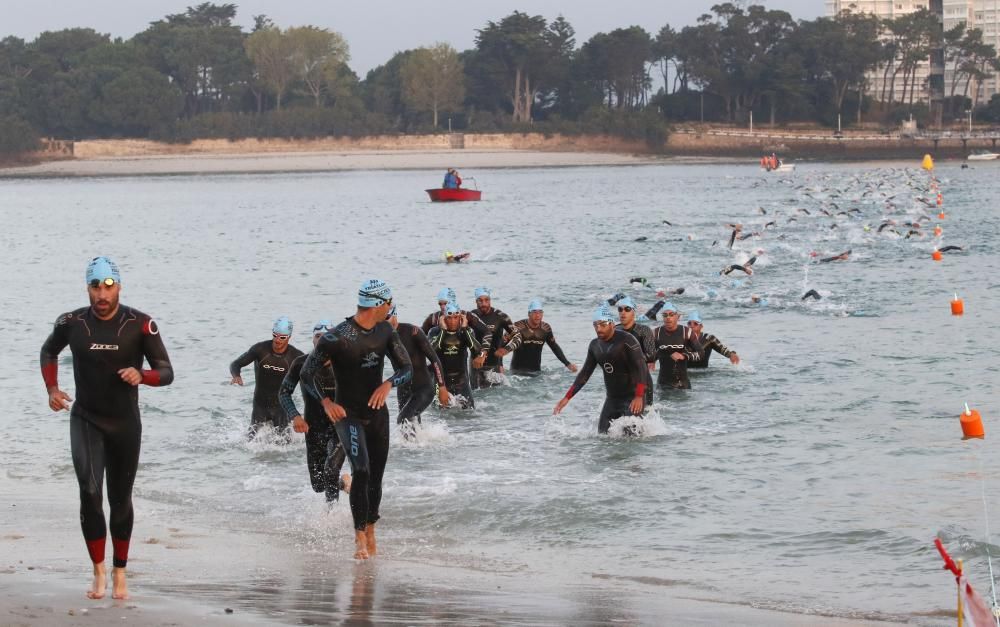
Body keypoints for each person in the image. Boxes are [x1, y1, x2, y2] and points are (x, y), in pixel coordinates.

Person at [40, 256, 174, 601]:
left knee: (119, 499)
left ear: (119, 287)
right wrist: (53, 390)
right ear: (87, 288)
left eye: (108, 287)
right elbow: (48, 351)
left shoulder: (141, 324)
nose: (102, 294)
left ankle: (120, 571)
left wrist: (141, 375)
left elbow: (166, 371)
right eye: (95, 287)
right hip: (86, 418)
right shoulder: (71, 323)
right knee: (89, 492)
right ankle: (98, 571)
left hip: (125, 425)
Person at [299, 279, 412, 560]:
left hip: (377, 415)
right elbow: (306, 375)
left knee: (376, 477)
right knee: (360, 470)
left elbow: (407, 368)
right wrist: (326, 402)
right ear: (378, 304)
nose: (390, 307)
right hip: (347, 416)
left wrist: (388, 384)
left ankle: (371, 526)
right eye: (388, 302)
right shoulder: (335, 338)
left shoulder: (385, 331)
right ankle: (359, 537)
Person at [278, 320, 350, 503]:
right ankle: (345, 483)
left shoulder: (345, 363)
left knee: (330, 470)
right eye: (318, 336)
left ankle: (330, 516)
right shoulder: (300, 363)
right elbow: (284, 392)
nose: (322, 340)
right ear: (312, 339)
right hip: (314, 427)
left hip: (341, 426)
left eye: (327, 337)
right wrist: (295, 416)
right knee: (318, 484)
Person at [552, 305, 646, 434]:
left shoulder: (627, 340)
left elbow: (641, 368)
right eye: (595, 325)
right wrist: (567, 397)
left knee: (630, 437)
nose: (598, 329)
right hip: (612, 399)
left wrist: (639, 396)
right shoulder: (594, 345)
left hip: (633, 397)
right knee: (602, 436)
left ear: (611, 324)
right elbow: (585, 374)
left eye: (602, 324)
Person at [230, 317, 304, 439]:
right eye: (275, 335)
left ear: (289, 337)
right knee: (250, 442)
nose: (277, 340)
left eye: (282, 337)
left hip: (281, 407)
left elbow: (309, 379)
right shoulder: (260, 349)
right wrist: (236, 375)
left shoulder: (296, 357)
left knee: (285, 447)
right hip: (260, 405)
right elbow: (236, 364)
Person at [386, 305, 449, 437]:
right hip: (403, 390)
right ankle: (419, 454)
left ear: (395, 314)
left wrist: (442, 387)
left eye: (387, 318)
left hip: (423, 388)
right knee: (410, 428)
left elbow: (434, 359)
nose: (383, 322)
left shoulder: (412, 331)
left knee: (403, 419)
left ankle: (419, 448)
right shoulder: (382, 338)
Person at [427, 302, 482, 408]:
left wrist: (465, 329)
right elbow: (431, 352)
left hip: (461, 382)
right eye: (449, 318)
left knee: (471, 413)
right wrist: (443, 331)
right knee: (439, 415)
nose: (453, 321)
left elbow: (477, 351)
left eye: (456, 317)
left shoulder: (466, 332)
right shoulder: (434, 332)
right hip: (441, 383)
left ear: (460, 317)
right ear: (444, 318)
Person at [468, 287, 520, 389]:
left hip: (494, 364)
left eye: (486, 300)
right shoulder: (471, 316)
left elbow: (518, 336)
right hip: (475, 364)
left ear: (490, 300)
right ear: (476, 302)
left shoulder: (500, 316)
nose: (484, 303)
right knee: (477, 395)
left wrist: (506, 349)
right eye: (480, 300)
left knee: (496, 397)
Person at [509, 300, 577, 375]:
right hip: (516, 373)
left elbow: (554, 347)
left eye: (540, 312)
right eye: (534, 312)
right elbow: (502, 343)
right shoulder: (518, 326)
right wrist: (499, 365)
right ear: (529, 314)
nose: (537, 315)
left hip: (536, 373)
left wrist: (568, 364)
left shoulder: (546, 329)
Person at [615, 296, 656, 406]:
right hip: (621, 384)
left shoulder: (643, 330)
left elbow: (651, 355)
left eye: (627, 309)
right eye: (620, 309)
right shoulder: (614, 330)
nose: (623, 312)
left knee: (642, 420)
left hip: (642, 382)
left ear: (633, 313)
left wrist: (628, 358)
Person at [653, 302, 702, 389]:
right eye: (665, 315)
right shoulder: (656, 333)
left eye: (671, 314)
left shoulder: (687, 332)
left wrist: (683, 356)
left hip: (683, 385)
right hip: (663, 385)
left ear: (678, 317)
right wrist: (651, 360)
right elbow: (648, 354)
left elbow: (701, 353)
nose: (668, 317)